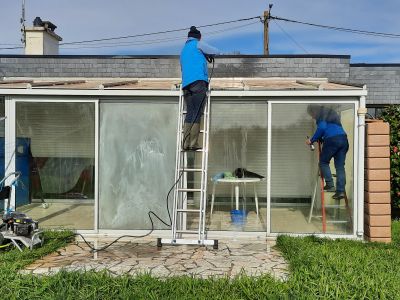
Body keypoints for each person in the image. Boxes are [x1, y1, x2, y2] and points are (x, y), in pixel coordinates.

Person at [180, 26, 217, 151]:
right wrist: (207, 53)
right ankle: (193, 143)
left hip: (186, 85)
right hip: (198, 82)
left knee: (190, 112)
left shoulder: (184, 49)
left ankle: (185, 143)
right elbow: (216, 51)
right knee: (197, 112)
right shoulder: (197, 44)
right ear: (198, 37)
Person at [306, 105, 349, 200]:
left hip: (332, 140)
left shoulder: (321, 117)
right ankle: (340, 191)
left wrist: (312, 140)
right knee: (340, 167)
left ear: (314, 112)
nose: (312, 117)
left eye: (311, 114)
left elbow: (322, 128)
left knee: (323, 162)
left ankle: (330, 184)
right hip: (343, 140)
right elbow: (330, 129)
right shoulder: (332, 117)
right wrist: (320, 138)